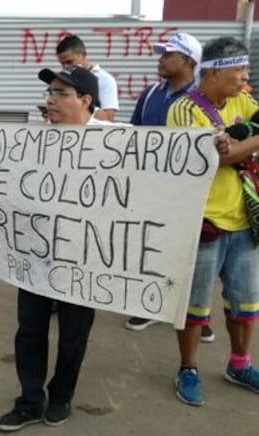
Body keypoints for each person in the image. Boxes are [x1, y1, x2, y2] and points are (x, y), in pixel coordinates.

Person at [0, 66, 113, 432]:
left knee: (74, 333)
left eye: (61, 93)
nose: (51, 99)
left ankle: (60, 396)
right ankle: (30, 400)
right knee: (29, 328)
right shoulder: (36, 141)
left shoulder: (117, 143)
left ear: (86, 100)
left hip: (85, 255)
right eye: (50, 93)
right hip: (36, 250)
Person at [166, 36, 259, 406]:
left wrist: (237, 144)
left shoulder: (243, 100)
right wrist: (244, 144)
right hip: (202, 223)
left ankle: (239, 363)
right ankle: (188, 368)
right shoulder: (184, 109)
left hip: (245, 223)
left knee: (247, 304)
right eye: (238, 70)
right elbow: (210, 159)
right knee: (194, 306)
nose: (244, 77)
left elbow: (233, 148)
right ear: (215, 72)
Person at [124, 34, 214, 339]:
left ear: (189, 61)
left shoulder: (204, 98)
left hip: (191, 192)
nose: (160, 59)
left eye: (168, 55)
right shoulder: (150, 95)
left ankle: (194, 312)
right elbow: (135, 136)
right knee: (150, 244)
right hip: (151, 188)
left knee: (191, 251)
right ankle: (150, 305)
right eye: (161, 54)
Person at [56, 35, 118, 122]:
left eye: (70, 62)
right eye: (62, 64)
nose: (66, 67)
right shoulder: (63, 78)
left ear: (84, 55)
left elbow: (108, 117)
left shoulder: (105, 79)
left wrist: (78, 105)